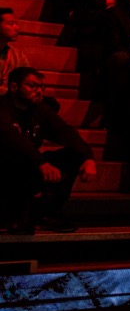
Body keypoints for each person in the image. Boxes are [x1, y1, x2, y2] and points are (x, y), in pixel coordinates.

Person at [0, 68, 96, 233]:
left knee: (73, 156)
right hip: (6, 170)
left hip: (30, 165)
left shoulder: (40, 109)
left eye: (41, 87)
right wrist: (41, 163)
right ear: (14, 87)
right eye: (32, 86)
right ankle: (16, 217)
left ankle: (46, 214)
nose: (39, 91)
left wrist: (88, 157)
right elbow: (12, 139)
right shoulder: (2, 107)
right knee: (18, 162)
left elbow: (64, 131)